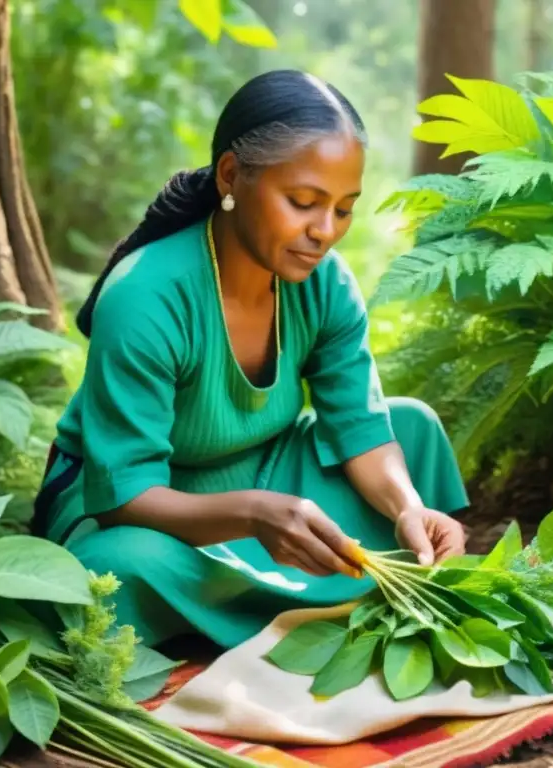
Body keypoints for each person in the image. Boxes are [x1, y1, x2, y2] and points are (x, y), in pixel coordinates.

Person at [32, 69, 471, 650]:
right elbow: (124, 497)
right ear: (233, 176)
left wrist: (408, 509)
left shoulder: (324, 283)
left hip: (268, 474)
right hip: (147, 510)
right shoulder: (146, 296)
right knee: (111, 570)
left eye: (344, 209)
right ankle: (306, 596)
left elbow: (359, 426)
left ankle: (247, 603)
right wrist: (255, 516)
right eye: (304, 203)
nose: (324, 232)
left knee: (412, 429)